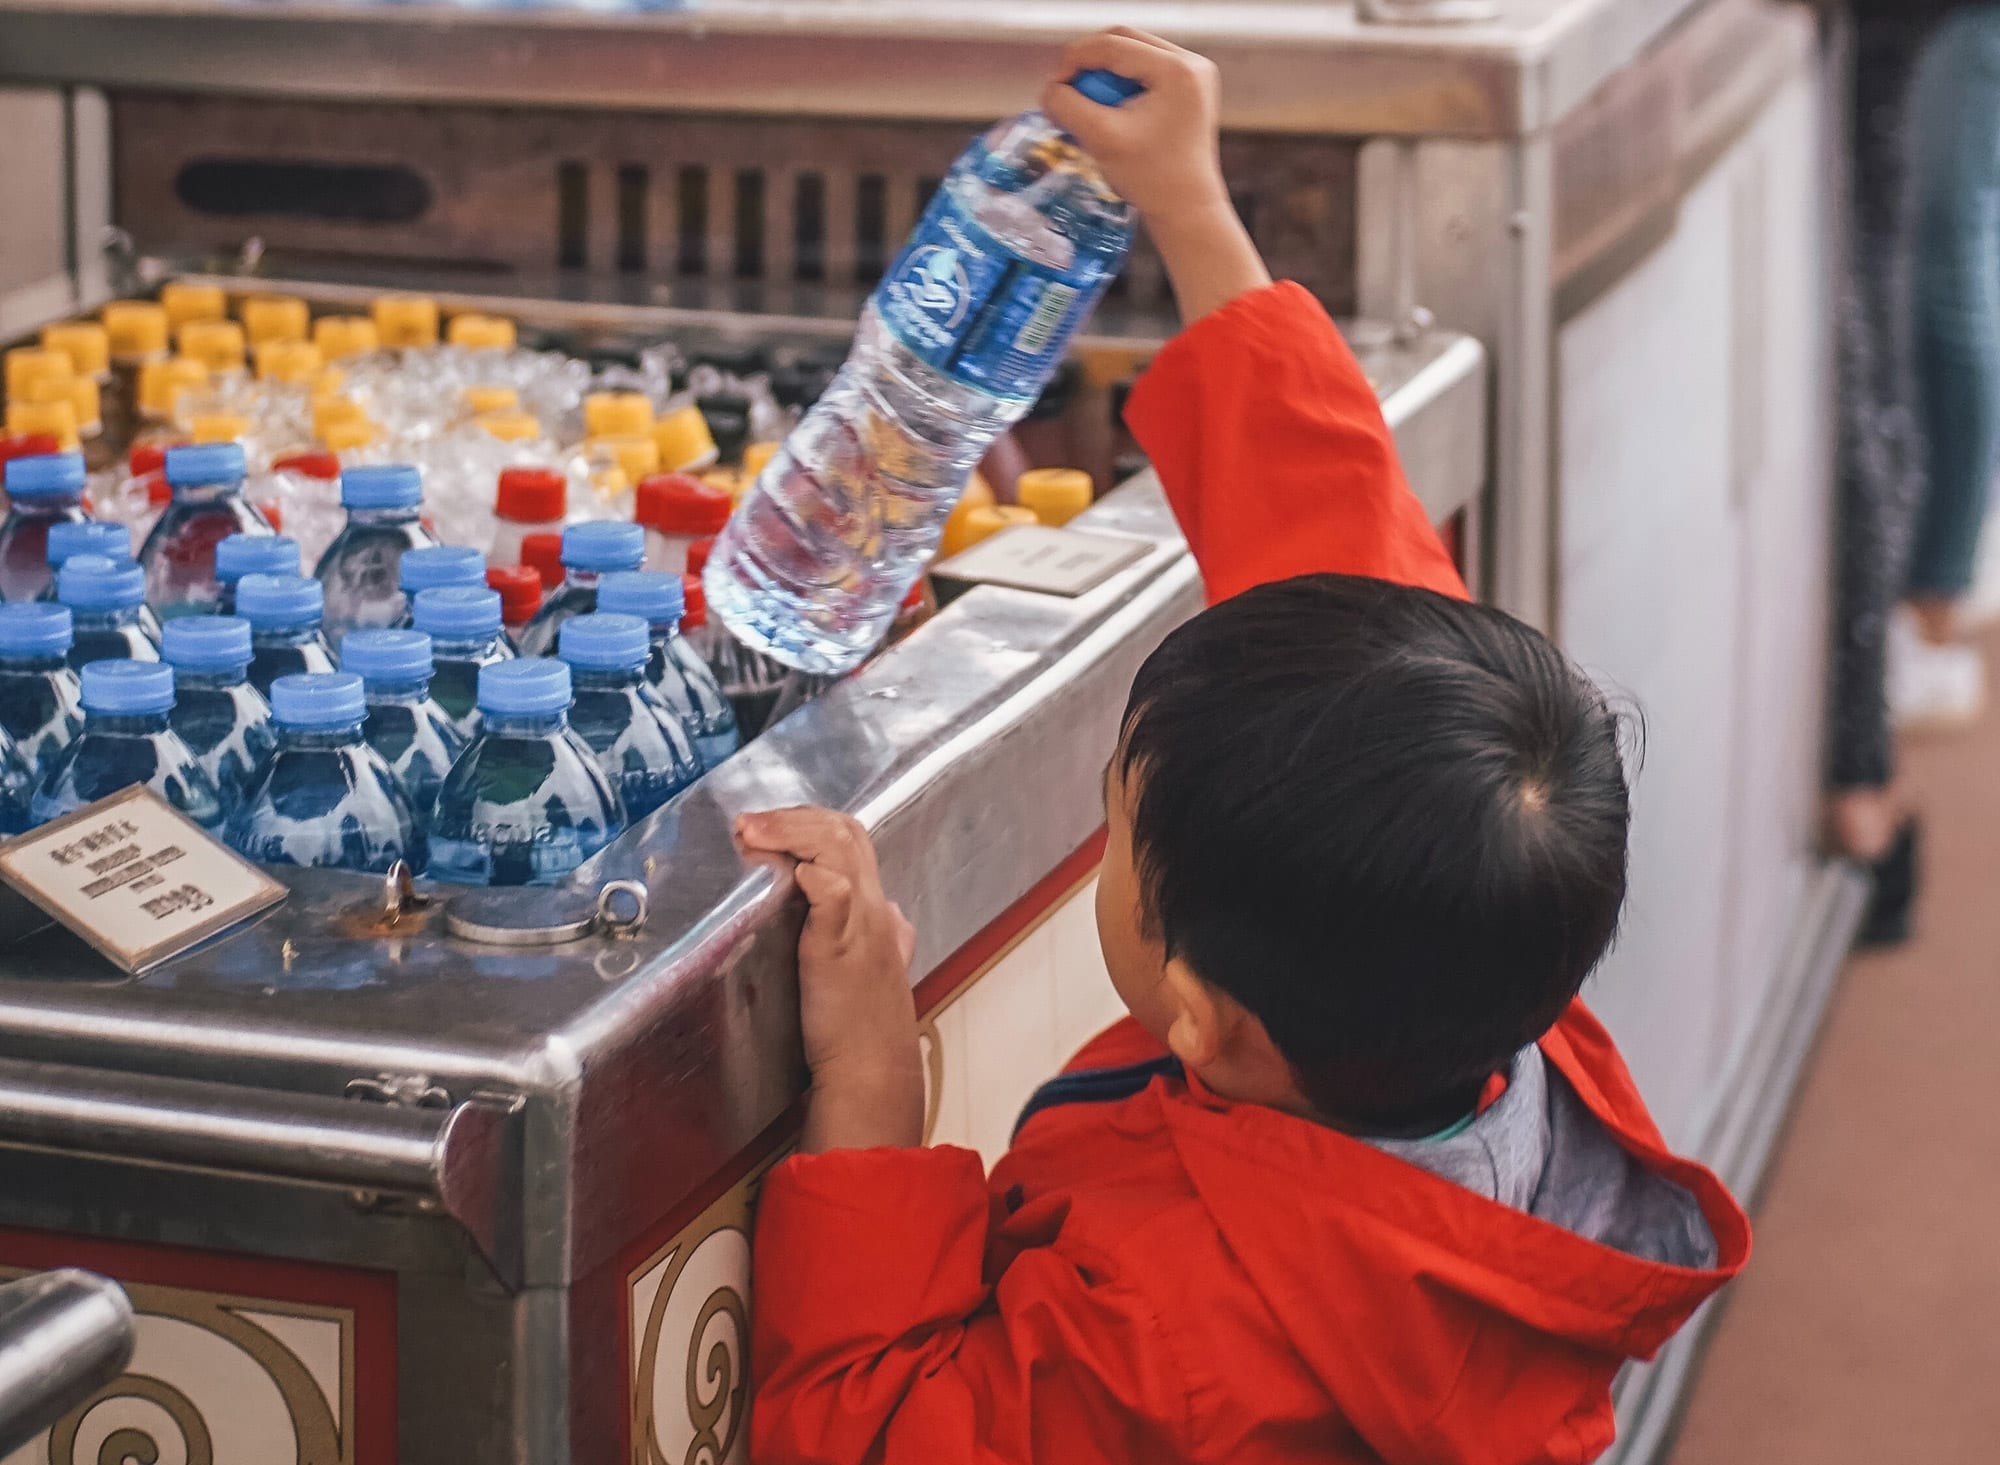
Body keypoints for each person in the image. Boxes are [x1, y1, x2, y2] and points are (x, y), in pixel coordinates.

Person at [739, 30, 1749, 1465]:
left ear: (1202, 1017)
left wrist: (873, 1106)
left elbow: (871, 1436)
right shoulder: (1488, 994)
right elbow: (1332, 547)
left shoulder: (1174, 1346)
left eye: (1118, 838)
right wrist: (1187, 203)